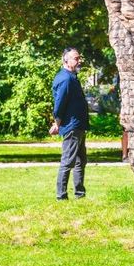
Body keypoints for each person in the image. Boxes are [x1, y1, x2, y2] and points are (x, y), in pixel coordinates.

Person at [49, 47, 89, 200]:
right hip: (71, 126)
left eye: (79, 58)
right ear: (66, 60)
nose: (79, 61)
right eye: (76, 58)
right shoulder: (65, 79)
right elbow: (60, 103)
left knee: (80, 161)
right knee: (68, 161)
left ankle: (80, 193)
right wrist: (57, 123)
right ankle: (61, 195)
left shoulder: (71, 77)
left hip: (78, 125)